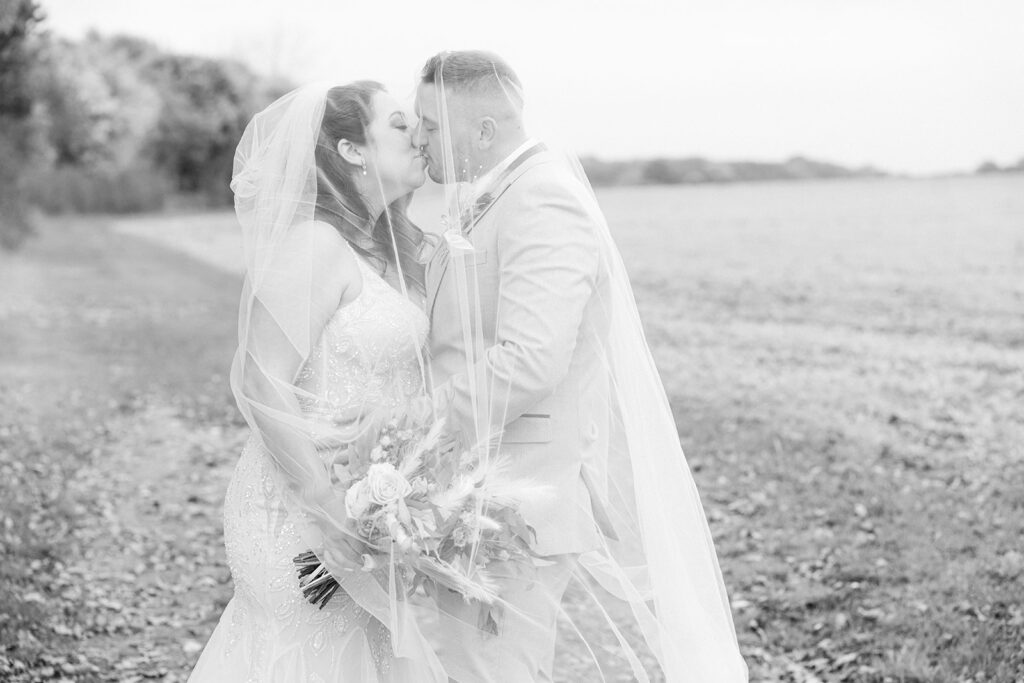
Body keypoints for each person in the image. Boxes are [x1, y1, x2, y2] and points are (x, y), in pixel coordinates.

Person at [415, 50, 749, 681]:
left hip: (515, 495)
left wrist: (417, 425)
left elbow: (530, 359)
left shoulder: (541, 201)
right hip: (475, 485)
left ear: (482, 131)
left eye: (430, 123)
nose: (421, 137)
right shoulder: (495, 197)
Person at [187, 81, 445, 682]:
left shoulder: (385, 249)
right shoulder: (314, 246)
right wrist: (325, 506)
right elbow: (260, 379)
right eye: (400, 124)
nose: (421, 136)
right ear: (354, 151)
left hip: (372, 500)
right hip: (300, 503)